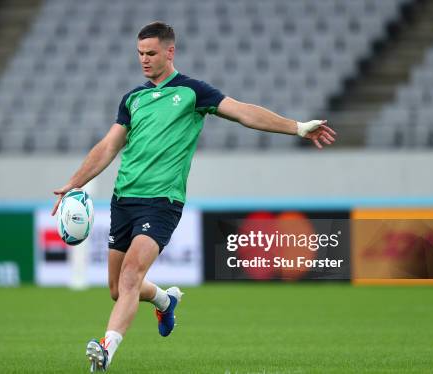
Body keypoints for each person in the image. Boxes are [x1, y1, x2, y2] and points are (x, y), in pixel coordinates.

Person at [51, 21, 336, 372]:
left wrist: (296, 127)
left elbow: (244, 112)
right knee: (117, 288)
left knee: (129, 277)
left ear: (170, 52)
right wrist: (74, 183)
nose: (144, 60)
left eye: (151, 53)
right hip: (123, 199)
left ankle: (106, 349)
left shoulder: (191, 92)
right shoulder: (133, 99)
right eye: (140, 53)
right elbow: (109, 146)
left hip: (162, 202)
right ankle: (164, 300)